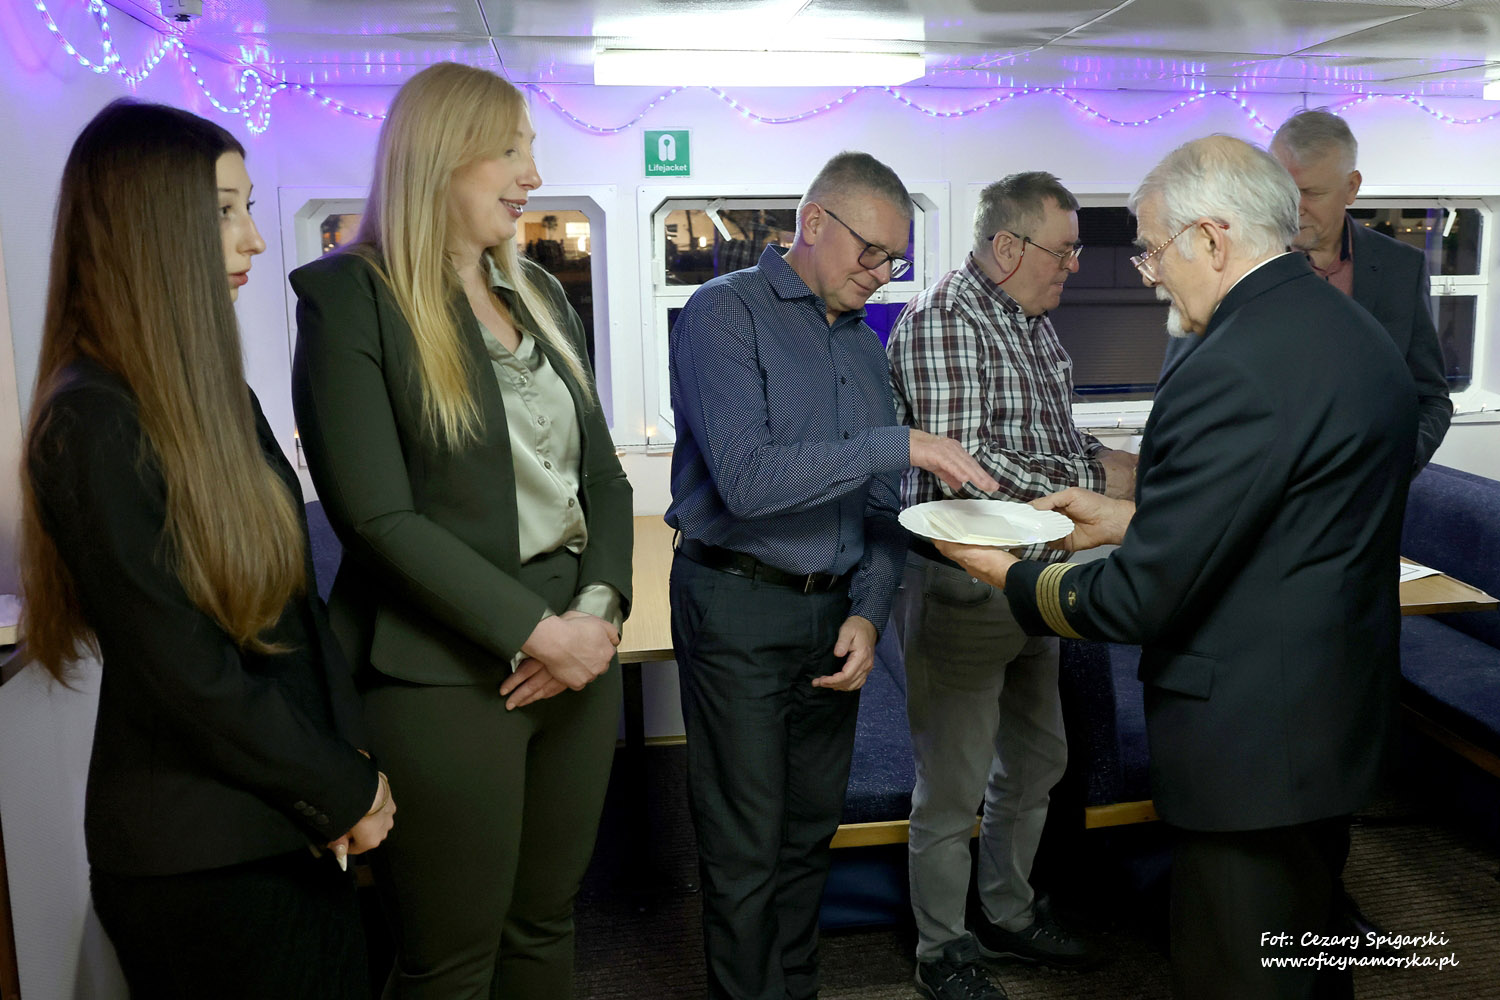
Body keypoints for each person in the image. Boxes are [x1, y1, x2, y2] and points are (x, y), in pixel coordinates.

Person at [936, 136, 1416, 1000]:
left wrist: (1004, 573)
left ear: (1212, 239)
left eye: (1153, 250)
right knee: (1309, 963)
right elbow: (1279, 523)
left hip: (1251, 746)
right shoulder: (1347, 332)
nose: (1150, 275)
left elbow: (1142, 599)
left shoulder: (1229, 366)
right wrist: (1132, 521)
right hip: (1326, 723)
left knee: (1241, 974)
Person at [18, 99, 394, 999]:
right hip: (203, 859)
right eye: (226, 210)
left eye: (249, 207)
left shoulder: (212, 396)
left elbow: (295, 613)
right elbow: (186, 672)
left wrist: (352, 765)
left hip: (284, 822)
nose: (254, 239)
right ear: (153, 227)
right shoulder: (90, 422)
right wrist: (336, 788)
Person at [290, 62, 632, 999]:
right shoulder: (350, 298)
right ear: (442, 156)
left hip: (578, 653)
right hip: (444, 668)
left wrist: (597, 613)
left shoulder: (540, 294)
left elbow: (602, 478)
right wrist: (536, 632)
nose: (532, 175)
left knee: (545, 924)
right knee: (450, 960)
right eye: (511, 150)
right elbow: (375, 517)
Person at [667, 150, 997, 1000]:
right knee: (744, 845)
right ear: (813, 223)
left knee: (807, 835)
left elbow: (881, 507)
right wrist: (900, 442)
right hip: (736, 602)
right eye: (871, 251)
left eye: (895, 260)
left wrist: (868, 611)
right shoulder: (722, 313)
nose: (881, 274)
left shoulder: (861, 344)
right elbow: (748, 481)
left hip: (834, 618)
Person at [886, 171, 1131, 998]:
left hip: (1035, 572)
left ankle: (1007, 912)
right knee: (952, 785)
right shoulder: (945, 320)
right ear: (1006, 246)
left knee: (1036, 758)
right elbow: (968, 470)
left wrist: (1115, 468)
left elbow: (1053, 439)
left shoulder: (1031, 324)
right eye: (1064, 251)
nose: (1074, 267)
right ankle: (941, 949)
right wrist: (1102, 485)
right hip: (961, 580)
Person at [1162, 109, 1450, 471]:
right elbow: (1178, 395)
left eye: (1312, 193)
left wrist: (1397, 464)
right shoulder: (1225, 262)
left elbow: (1430, 397)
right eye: (1284, 190)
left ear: (1352, 187)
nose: (1294, 208)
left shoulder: (1402, 267)